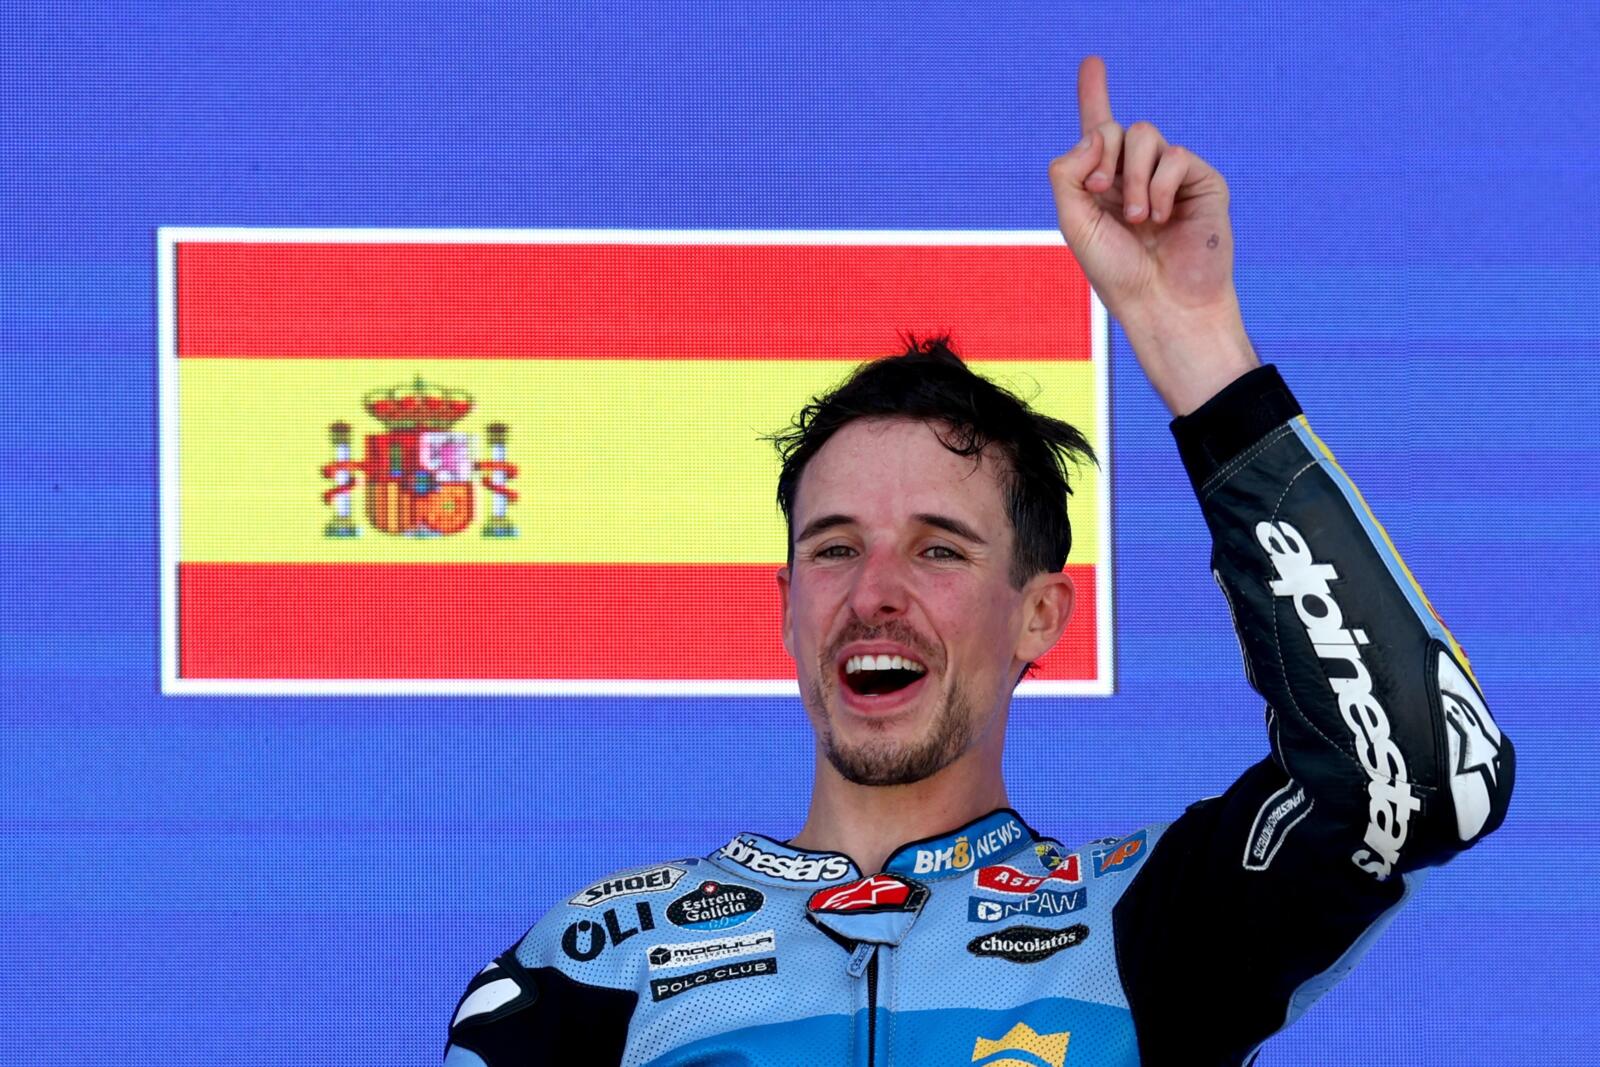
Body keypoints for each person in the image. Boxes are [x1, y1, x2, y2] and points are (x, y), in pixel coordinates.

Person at [442, 56, 1513, 1065]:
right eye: (834, 548)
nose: (874, 593)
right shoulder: (593, 962)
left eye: (938, 549)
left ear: (1040, 613)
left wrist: (1193, 340)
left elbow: (1421, 778)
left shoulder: (1143, 922)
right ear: (786, 607)